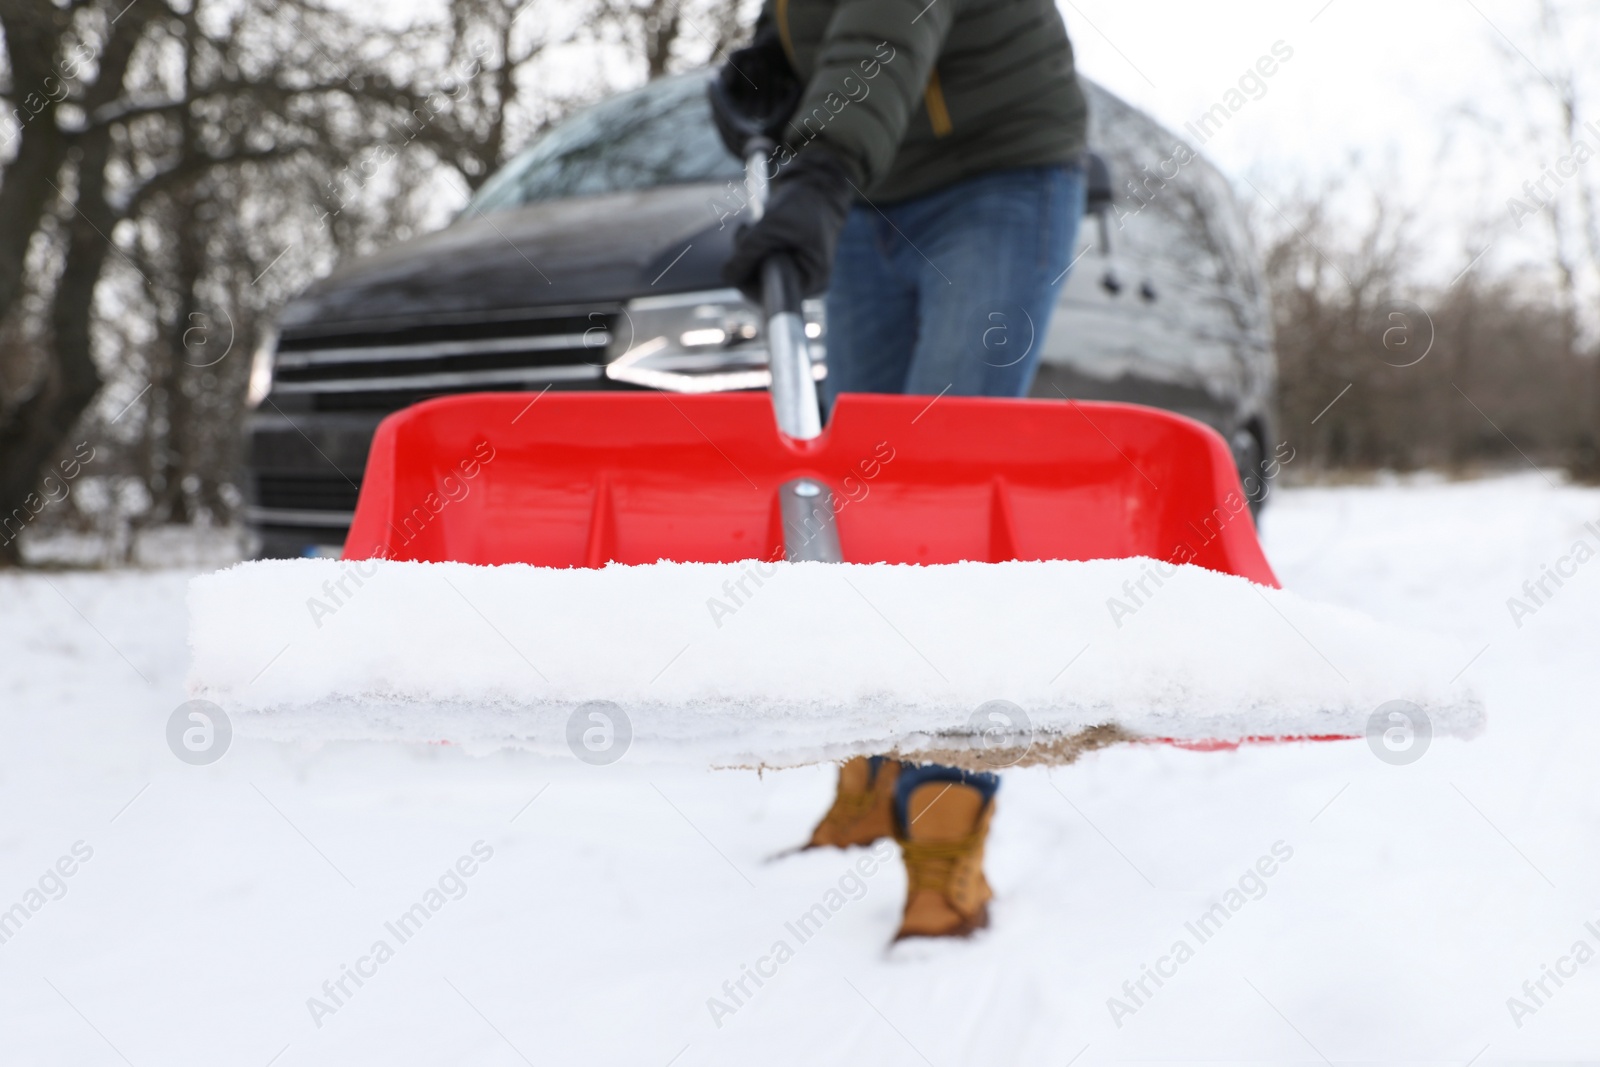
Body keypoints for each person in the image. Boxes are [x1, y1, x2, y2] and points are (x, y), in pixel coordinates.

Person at [712, 0, 1088, 940]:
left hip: (999, 170)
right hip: (883, 184)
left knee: (943, 502)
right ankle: (873, 773)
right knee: (863, 501)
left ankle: (944, 834)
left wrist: (822, 163)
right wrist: (774, 51)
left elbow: (887, 23)